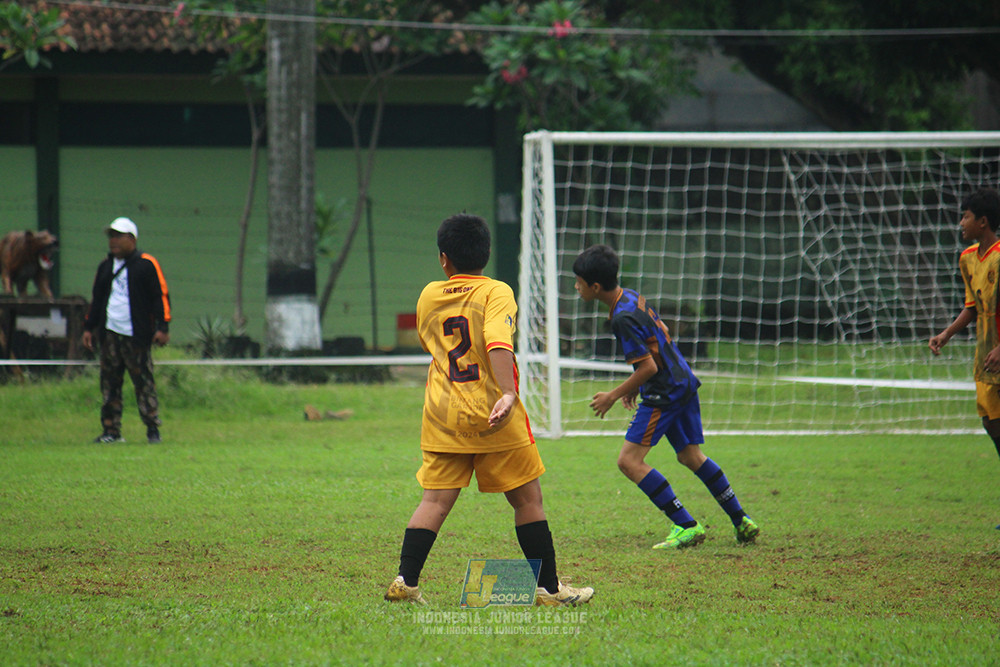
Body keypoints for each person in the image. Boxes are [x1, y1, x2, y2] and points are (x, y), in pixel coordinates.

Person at [384, 213, 593, 606]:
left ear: (444, 259)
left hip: (444, 416)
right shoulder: (497, 291)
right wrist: (508, 393)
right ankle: (548, 589)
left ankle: (406, 580)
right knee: (528, 500)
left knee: (433, 501)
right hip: (494, 415)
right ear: (487, 253)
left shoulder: (428, 295)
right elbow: (498, 341)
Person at [572, 244, 759, 549]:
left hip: (665, 392)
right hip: (682, 380)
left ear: (594, 286)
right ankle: (742, 521)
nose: (576, 287)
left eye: (579, 281)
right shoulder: (630, 296)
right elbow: (660, 335)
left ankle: (686, 524)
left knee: (629, 462)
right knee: (690, 456)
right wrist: (634, 387)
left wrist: (613, 394)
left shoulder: (621, 318)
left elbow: (647, 366)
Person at [929, 188, 1000, 529]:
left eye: (966, 217)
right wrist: (947, 333)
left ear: (983, 221)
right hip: (985, 354)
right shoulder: (968, 257)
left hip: (999, 351)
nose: (961, 223)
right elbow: (973, 307)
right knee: (990, 422)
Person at [81, 217, 171, 444]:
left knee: (143, 382)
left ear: (132, 239)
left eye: (118, 236)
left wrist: (163, 326)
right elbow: (97, 299)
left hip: (136, 334)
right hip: (109, 334)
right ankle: (111, 430)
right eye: (111, 236)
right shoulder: (105, 266)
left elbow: (160, 296)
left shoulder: (146, 263)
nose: (113, 241)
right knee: (110, 383)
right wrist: (90, 327)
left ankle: (152, 429)